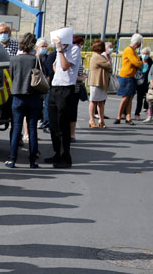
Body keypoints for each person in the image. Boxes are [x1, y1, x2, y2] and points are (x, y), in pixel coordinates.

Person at [4, 33, 41, 168]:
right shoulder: (36, 60)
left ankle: (12, 159)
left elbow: (12, 77)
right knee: (32, 129)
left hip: (18, 97)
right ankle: (33, 161)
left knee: (16, 129)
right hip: (33, 97)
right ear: (32, 45)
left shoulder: (14, 60)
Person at [46, 29, 81, 169]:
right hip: (55, 87)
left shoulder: (73, 50)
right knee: (53, 124)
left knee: (63, 124)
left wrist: (60, 50)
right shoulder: (59, 51)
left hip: (66, 89)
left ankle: (65, 156)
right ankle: (56, 153)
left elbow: (66, 66)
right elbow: (56, 66)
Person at [116, 33, 143, 124]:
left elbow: (137, 62)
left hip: (131, 76)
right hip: (126, 76)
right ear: (138, 43)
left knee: (130, 97)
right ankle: (119, 116)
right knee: (125, 97)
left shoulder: (133, 50)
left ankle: (128, 117)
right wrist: (139, 61)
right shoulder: (129, 50)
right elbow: (137, 63)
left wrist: (139, 61)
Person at [87, 40, 112, 129]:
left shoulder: (101, 56)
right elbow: (108, 65)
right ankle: (92, 119)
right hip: (96, 82)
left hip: (102, 82)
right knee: (93, 101)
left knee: (101, 102)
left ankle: (101, 120)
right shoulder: (97, 57)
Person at [37, 37, 53, 131]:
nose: (44, 48)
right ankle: (39, 119)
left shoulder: (47, 57)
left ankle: (46, 123)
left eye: (45, 46)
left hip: (47, 84)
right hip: (37, 84)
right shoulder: (35, 58)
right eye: (42, 46)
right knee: (38, 104)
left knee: (47, 104)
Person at [133, 46, 153, 121]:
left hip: (147, 82)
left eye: (147, 54)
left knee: (148, 98)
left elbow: (151, 71)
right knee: (139, 99)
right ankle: (137, 113)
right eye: (144, 53)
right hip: (138, 82)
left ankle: (148, 112)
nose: (145, 55)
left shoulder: (150, 61)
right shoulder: (138, 60)